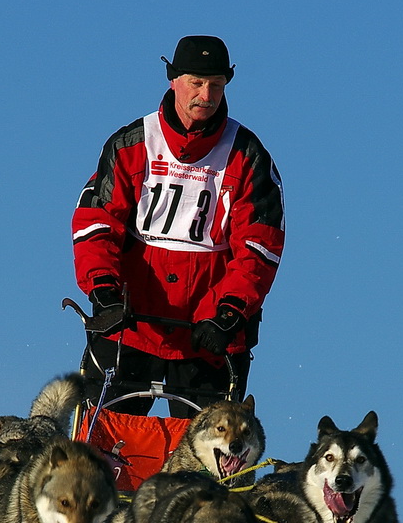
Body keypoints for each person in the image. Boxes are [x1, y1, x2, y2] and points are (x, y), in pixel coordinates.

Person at [72, 35, 285, 417]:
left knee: (206, 466)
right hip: (130, 324)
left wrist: (230, 313)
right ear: (173, 80)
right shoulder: (131, 145)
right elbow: (95, 225)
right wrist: (103, 290)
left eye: (216, 85)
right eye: (196, 82)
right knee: (104, 450)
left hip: (210, 335)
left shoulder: (248, 156)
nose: (206, 94)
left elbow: (260, 246)